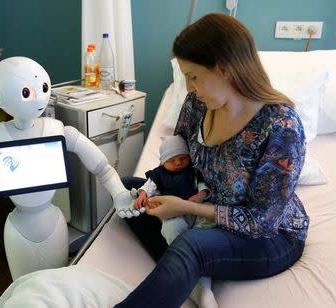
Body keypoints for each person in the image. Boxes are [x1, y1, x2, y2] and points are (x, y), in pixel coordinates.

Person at [116, 13, 309, 308]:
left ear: (225, 68)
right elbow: (179, 161)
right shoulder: (196, 105)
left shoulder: (281, 126)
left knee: (192, 245)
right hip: (202, 210)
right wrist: (152, 191)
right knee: (126, 190)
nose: (190, 87)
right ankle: (190, 278)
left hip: (270, 237)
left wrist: (185, 207)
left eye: (194, 76)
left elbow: (263, 222)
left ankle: (186, 264)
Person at [133, 134, 216, 307]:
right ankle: (189, 267)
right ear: (163, 162)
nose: (178, 163)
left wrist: (201, 195)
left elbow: (203, 187)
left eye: (182, 158)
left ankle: (202, 278)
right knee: (172, 227)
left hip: (196, 210)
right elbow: (148, 187)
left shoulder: (193, 171)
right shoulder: (158, 174)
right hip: (174, 213)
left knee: (207, 229)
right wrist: (142, 194)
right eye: (172, 160)